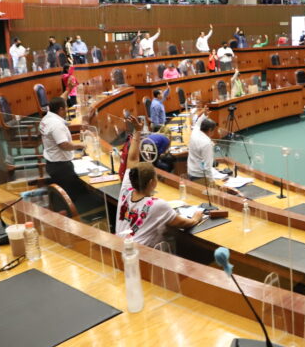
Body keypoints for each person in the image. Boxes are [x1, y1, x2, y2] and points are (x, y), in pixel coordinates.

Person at [116, 118, 203, 247]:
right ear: (152, 182)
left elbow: (132, 159)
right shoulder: (158, 205)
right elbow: (184, 223)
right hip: (141, 255)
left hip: (119, 246)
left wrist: (137, 131)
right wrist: (196, 217)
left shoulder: (126, 189)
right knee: (170, 237)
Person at [39, 96, 105, 216]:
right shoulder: (56, 125)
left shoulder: (46, 119)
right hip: (61, 168)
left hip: (53, 163)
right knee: (79, 194)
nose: (66, 111)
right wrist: (80, 145)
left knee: (74, 191)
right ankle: (80, 215)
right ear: (60, 109)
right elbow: (63, 145)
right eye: (65, 108)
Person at [187, 106, 221, 183]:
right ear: (209, 130)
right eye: (213, 130)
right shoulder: (206, 143)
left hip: (191, 171)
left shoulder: (195, 131)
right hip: (200, 176)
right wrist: (212, 182)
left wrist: (204, 115)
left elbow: (198, 122)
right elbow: (207, 167)